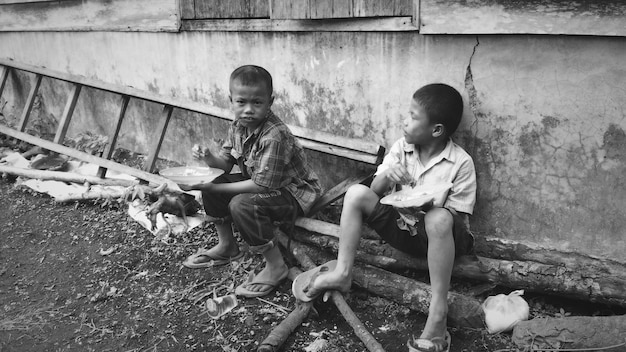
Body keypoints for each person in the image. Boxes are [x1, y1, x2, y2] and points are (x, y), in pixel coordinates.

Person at [293, 83, 476, 352]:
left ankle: (438, 312)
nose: (404, 121)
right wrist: (389, 175)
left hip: (442, 238)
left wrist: (430, 204)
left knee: (439, 218)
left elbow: (458, 218)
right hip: (404, 229)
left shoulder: (460, 163)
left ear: (436, 130)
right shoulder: (402, 148)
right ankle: (342, 272)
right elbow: (374, 192)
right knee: (356, 193)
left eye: (413, 117)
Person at [180, 65, 323, 298]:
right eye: (241, 102)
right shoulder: (238, 126)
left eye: (257, 103)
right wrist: (208, 158)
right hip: (264, 184)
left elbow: (262, 186)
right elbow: (225, 164)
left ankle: (276, 266)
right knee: (214, 180)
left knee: (242, 203)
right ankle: (228, 246)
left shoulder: (273, 135)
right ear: (231, 100)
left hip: (293, 193)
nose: (248, 110)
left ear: (270, 101)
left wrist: (213, 186)